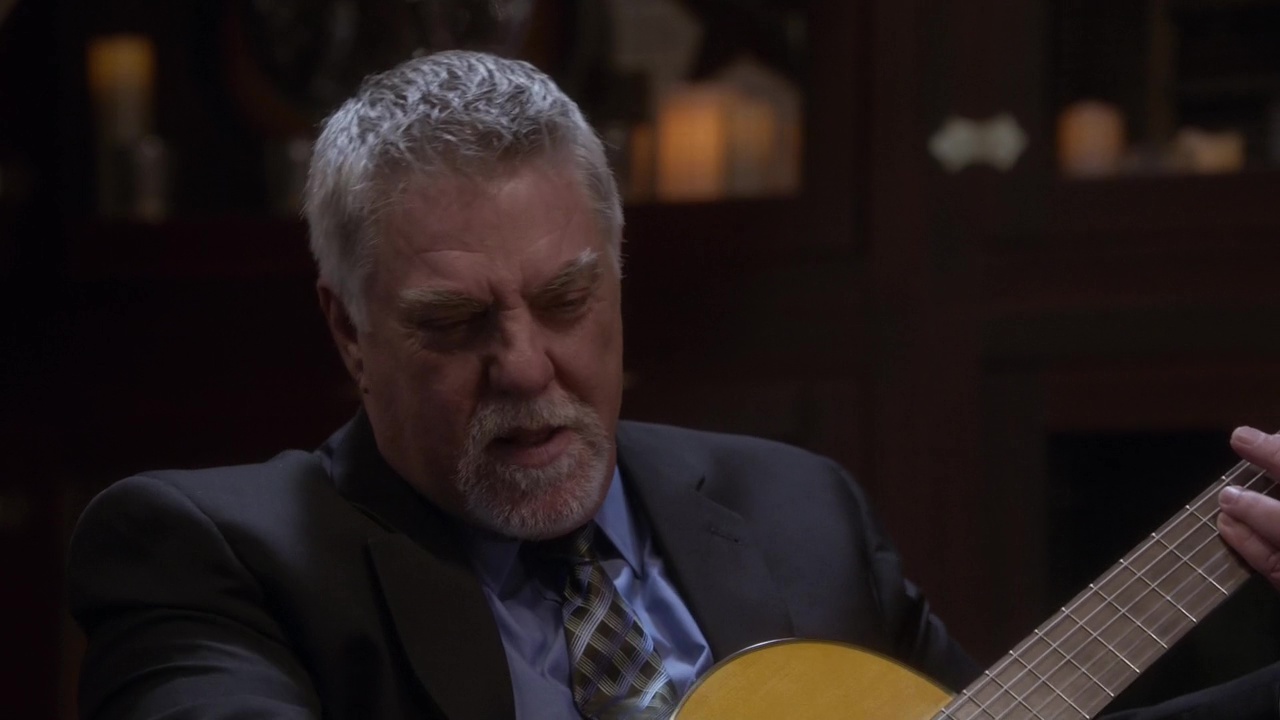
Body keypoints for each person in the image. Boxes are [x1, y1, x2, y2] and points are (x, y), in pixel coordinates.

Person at [67, 50, 1280, 720]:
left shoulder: (798, 509)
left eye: (565, 299)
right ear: (347, 329)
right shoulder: (208, 552)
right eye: (452, 323)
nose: (524, 366)